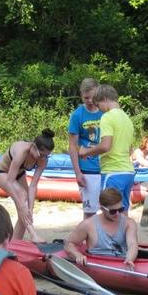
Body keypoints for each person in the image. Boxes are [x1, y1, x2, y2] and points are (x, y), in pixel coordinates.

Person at [78, 85, 136, 210]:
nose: (99, 110)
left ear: (104, 98)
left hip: (113, 172)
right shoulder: (127, 119)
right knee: (122, 212)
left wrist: (86, 152)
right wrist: (95, 150)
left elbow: (105, 146)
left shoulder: (107, 117)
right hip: (128, 172)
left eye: (98, 105)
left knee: (108, 212)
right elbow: (129, 148)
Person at [0, 130, 55, 243]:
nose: (43, 158)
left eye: (47, 155)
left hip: (19, 174)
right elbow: (10, 181)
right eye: (42, 154)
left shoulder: (43, 159)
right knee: (22, 198)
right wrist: (20, 205)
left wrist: (30, 208)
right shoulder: (22, 151)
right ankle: (33, 234)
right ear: (34, 147)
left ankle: (15, 243)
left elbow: (33, 186)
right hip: (2, 173)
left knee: (26, 209)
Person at [64, 187, 139, 269]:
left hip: (122, 263)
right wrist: (77, 255)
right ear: (102, 208)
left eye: (120, 209)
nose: (118, 214)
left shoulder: (129, 223)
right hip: (96, 266)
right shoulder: (88, 225)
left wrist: (130, 259)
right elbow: (69, 243)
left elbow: (132, 244)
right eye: (113, 211)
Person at [67, 78, 103, 218]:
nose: (89, 101)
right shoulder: (77, 115)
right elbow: (72, 146)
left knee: (110, 210)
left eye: (92, 97)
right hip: (88, 169)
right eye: (86, 98)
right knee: (90, 213)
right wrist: (77, 173)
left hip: (106, 167)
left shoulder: (105, 111)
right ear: (81, 96)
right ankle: (88, 239)